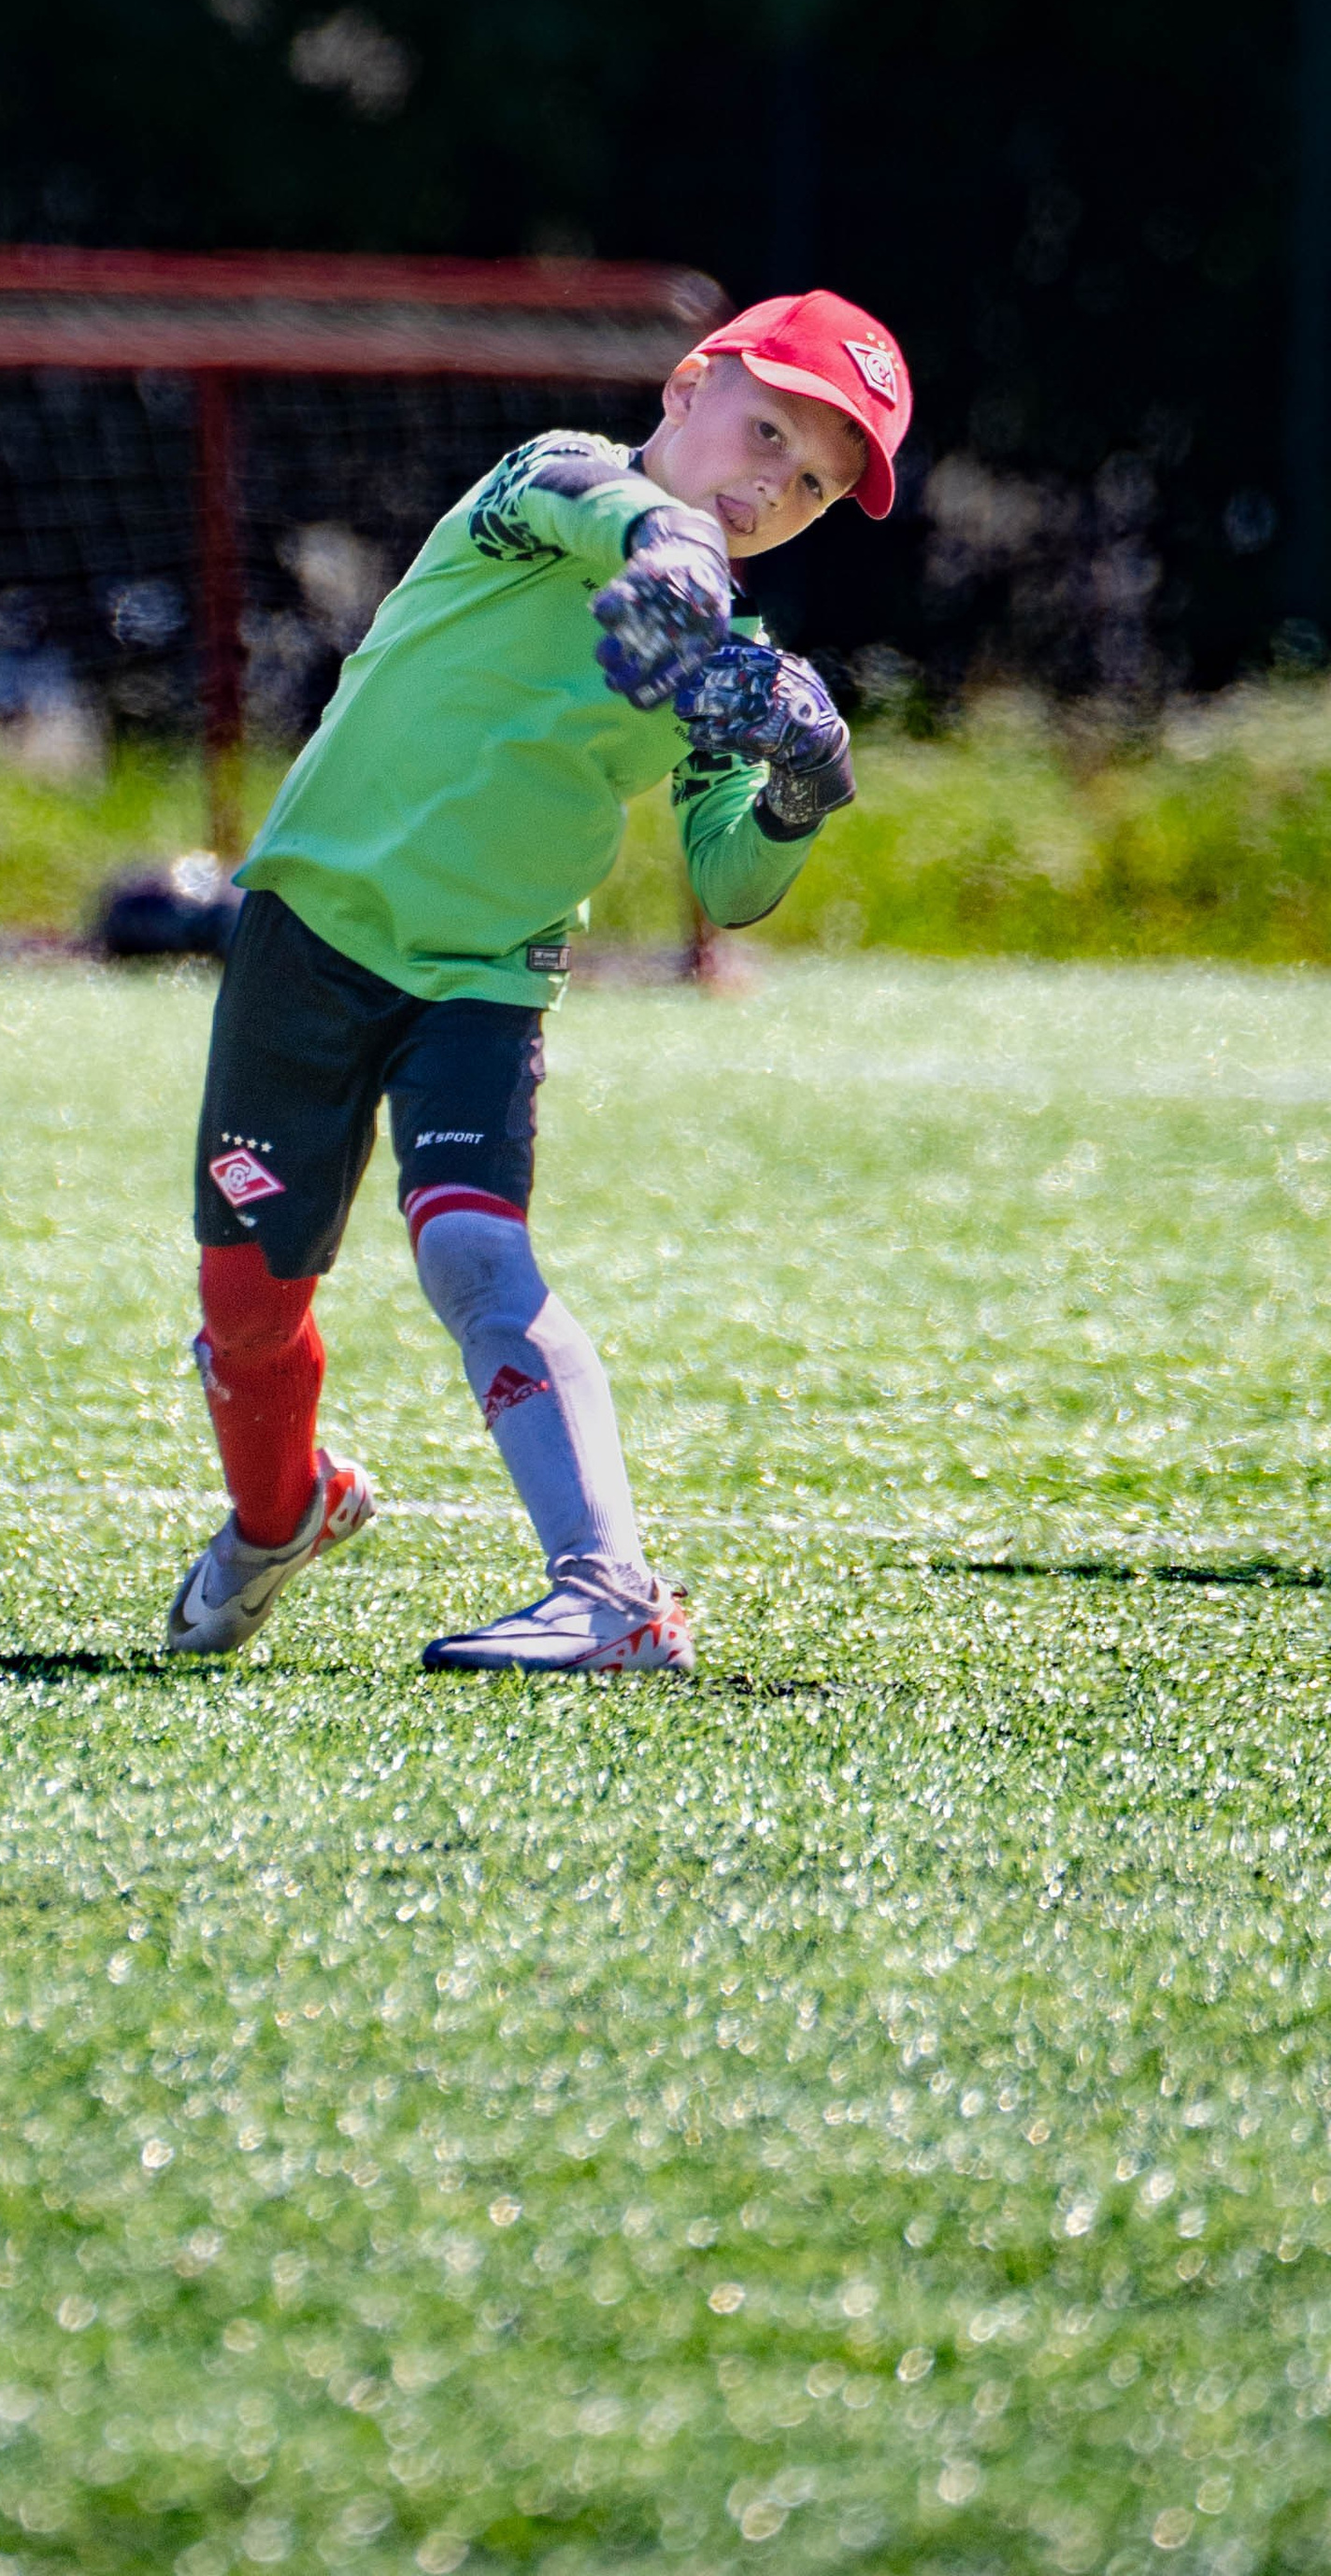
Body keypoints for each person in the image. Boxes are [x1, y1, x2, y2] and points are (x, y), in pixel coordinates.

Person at [165, 288, 911, 1677]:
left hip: (490, 976)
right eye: (766, 433)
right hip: (309, 933)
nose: (774, 487)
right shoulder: (549, 479)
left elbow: (732, 880)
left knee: (472, 1250)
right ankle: (280, 1517)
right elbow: (614, 513)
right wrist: (679, 558)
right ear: (687, 385)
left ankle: (612, 1596)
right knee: (250, 1312)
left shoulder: (726, 662)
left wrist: (803, 789)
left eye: (812, 483)